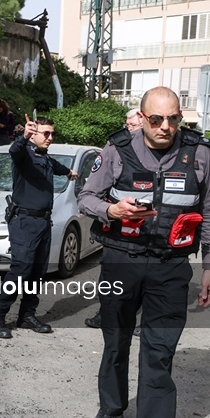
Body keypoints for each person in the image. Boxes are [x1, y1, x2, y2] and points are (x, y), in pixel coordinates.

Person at [77, 86, 210, 418]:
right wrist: (110, 208)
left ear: (181, 118)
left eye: (173, 119)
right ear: (141, 118)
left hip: (171, 267)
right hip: (121, 260)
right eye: (156, 119)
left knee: (159, 359)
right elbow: (85, 196)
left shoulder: (199, 154)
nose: (165, 127)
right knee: (116, 342)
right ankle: (111, 409)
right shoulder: (115, 150)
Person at [0, 114, 78, 338]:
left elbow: (54, 165)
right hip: (24, 222)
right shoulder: (23, 154)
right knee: (20, 270)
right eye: (46, 133)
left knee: (37, 271)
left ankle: (27, 315)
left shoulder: (43, 156)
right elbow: (14, 151)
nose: (50, 137)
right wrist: (23, 136)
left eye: (52, 134)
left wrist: (68, 172)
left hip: (43, 221)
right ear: (34, 134)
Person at [85, 106, 144, 330]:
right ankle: (105, 314)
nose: (129, 129)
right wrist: (110, 211)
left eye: (133, 124)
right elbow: (91, 194)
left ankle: (143, 322)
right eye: (128, 125)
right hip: (120, 231)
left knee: (147, 282)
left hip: (152, 233)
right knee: (109, 279)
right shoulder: (116, 147)